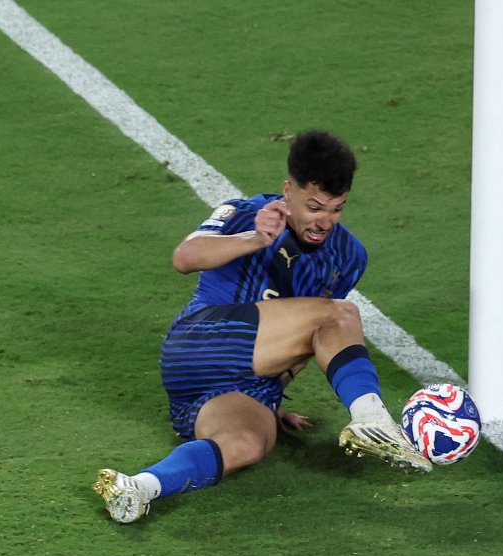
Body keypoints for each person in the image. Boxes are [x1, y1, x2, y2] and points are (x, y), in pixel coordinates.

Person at [94, 129, 430, 524]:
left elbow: (310, 342)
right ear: (288, 191)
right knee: (340, 315)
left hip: (239, 381)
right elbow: (184, 257)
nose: (324, 221)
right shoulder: (247, 212)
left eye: (337, 209)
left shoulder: (349, 257)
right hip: (200, 343)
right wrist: (255, 238)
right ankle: (374, 420)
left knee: (247, 444)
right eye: (315, 206)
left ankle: (139, 488)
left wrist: (271, 399)